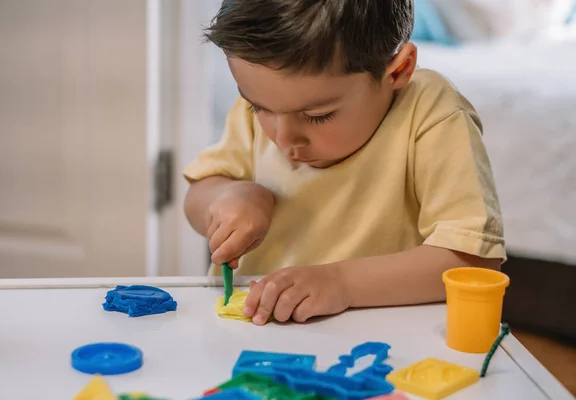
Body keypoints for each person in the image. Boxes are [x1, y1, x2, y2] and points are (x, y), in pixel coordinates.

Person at [183, 0, 506, 326]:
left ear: (398, 70)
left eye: (317, 116)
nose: (283, 139)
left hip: (381, 342)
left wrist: (342, 283)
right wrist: (227, 197)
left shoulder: (431, 113)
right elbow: (197, 197)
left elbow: (474, 263)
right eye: (258, 107)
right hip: (252, 332)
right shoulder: (271, 100)